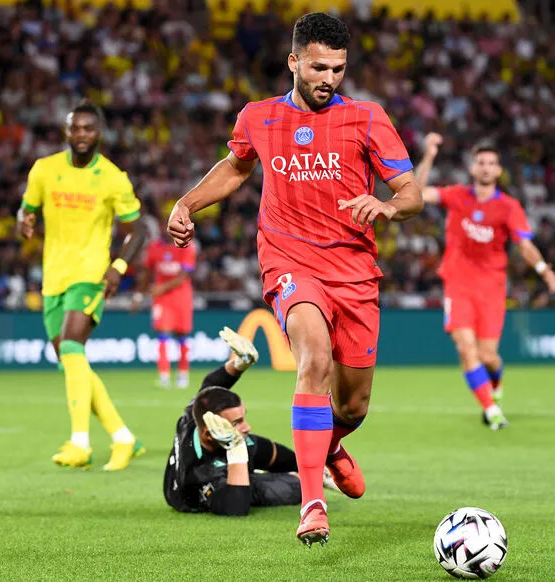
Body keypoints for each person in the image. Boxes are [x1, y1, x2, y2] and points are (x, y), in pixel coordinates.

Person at [166, 13, 424, 545]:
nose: (329, 78)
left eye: (338, 69)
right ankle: (312, 503)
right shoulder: (258, 117)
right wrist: (187, 203)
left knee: (353, 406)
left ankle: (328, 443)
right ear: (293, 61)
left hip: (354, 272)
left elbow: (412, 193)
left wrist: (387, 205)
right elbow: (236, 167)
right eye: (318, 67)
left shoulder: (368, 118)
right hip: (290, 263)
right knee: (312, 358)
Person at [18, 100, 149, 470]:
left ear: (99, 133)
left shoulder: (111, 177)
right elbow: (26, 210)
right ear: (66, 131)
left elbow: (139, 230)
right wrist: (23, 221)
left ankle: (80, 443)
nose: (81, 135)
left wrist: (118, 267)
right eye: (75, 128)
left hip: (90, 274)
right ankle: (124, 438)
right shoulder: (44, 170)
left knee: (73, 347)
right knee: (71, 363)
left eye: (88, 129)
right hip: (53, 279)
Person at [415, 133, 555, 429]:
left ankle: (496, 382)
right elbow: (416, 193)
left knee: (488, 356)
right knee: (466, 348)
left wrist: (544, 269)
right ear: (472, 168)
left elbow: (525, 245)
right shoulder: (457, 195)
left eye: (491, 163)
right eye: (480, 162)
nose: (485, 168)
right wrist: (429, 155)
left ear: (498, 170)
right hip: (457, 283)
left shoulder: (508, 206)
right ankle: (492, 411)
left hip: (491, 288)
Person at [164, 327, 339, 515]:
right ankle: (309, 477)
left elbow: (211, 386)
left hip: (223, 449)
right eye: (236, 423)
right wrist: (235, 448)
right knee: (285, 487)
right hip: (208, 487)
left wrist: (240, 363)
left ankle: (313, 467)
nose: (247, 426)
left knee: (253, 444)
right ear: (207, 434)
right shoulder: (199, 474)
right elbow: (236, 507)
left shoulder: (197, 415)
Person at [139, 232, 197, 389]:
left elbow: (183, 275)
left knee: (182, 335)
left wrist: (161, 288)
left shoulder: (187, 246)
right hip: (162, 299)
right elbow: (148, 272)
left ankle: (182, 374)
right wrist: (139, 294)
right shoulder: (154, 247)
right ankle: (164, 375)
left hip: (181, 297)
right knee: (163, 333)